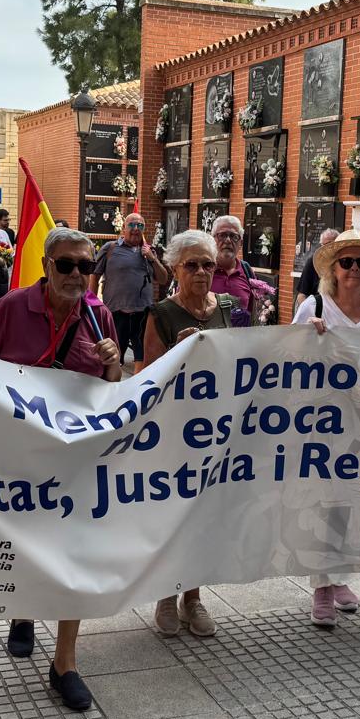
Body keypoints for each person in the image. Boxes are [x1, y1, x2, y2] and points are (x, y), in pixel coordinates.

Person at [0, 227, 121, 711]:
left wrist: (115, 365)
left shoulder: (99, 316)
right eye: (67, 265)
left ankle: (66, 663)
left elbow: (110, 389)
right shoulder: (13, 307)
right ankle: (22, 610)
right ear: (46, 267)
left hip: (74, 458)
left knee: (73, 551)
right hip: (17, 454)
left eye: (86, 265)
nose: (78, 274)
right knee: (24, 540)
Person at [291, 229, 360, 628]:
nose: (354, 269)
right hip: (322, 421)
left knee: (352, 499)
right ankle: (321, 585)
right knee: (325, 498)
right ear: (333, 269)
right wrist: (308, 338)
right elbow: (287, 358)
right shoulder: (315, 307)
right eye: (346, 262)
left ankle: (340, 579)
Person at [142, 229, 235, 638]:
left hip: (217, 430)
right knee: (172, 514)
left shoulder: (227, 307)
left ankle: (192, 597)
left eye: (208, 264)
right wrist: (176, 356)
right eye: (192, 264)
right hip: (175, 431)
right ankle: (165, 592)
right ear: (175, 268)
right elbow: (145, 377)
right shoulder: (161, 314)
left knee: (204, 516)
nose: (201, 272)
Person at [95, 212, 168, 366]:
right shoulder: (110, 248)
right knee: (112, 359)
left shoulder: (149, 252)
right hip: (116, 313)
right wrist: (93, 303)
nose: (136, 229)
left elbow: (163, 279)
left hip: (142, 315)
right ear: (123, 228)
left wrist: (152, 258)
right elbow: (94, 275)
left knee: (143, 358)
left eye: (140, 225)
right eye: (132, 225)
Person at [209, 215, 261, 327]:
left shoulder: (247, 272)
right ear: (212, 239)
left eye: (233, 236)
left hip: (239, 341)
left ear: (241, 243)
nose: (228, 240)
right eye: (222, 235)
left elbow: (252, 314)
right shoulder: (202, 270)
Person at [296, 228, 338, 299]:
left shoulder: (344, 263)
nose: (327, 248)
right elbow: (301, 295)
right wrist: (311, 309)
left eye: (331, 244)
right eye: (324, 245)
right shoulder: (313, 262)